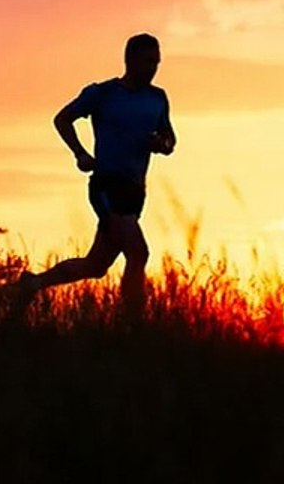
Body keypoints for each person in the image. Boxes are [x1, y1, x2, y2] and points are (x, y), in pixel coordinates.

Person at [16, 32, 177, 322]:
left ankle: (32, 284)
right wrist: (79, 153)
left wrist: (161, 144)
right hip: (106, 185)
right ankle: (134, 327)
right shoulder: (103, 94)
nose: (153, 67)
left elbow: (170, 139)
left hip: (135, 191)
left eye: (157, 62)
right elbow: (62, 118)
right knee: (138, 254)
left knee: (97, 265)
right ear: (130, 60)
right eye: (147, 61)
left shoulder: (158, 98)